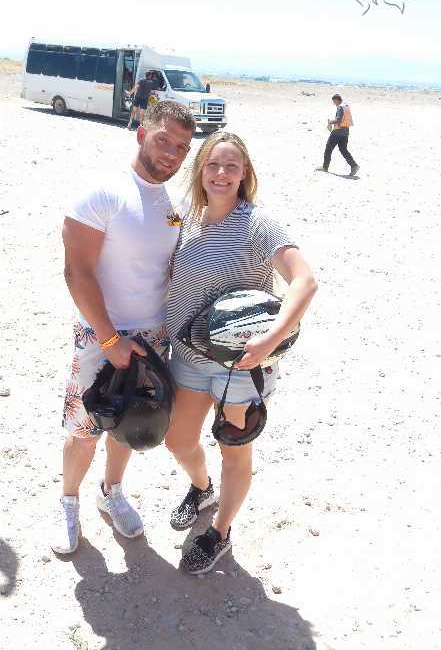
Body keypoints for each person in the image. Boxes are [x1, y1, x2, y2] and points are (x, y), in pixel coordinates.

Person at [165, 132, 318, 574]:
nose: (221, 173)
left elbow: (304, 280)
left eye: (231, 166)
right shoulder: (185, 218)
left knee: (233, 450)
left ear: (244, 173)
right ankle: (202, 489)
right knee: (178, 440)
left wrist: (272, 339)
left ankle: (220, 532)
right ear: (200, 170)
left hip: (240, 367)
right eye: (213, 164)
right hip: (188, 357)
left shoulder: (257, 223)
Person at [52, 100, 195, 556]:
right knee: (83, 428)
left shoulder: (174, 206)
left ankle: (111, 492)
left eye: (182, 147)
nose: (172, 154)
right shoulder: (103, 193)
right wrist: (110, 339)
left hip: (153, 336)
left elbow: (168, 269)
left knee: (130, 420)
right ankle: (68, 502)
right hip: (102, 334)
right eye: (164, 140)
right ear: (141, 133)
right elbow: (77, 272)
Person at [317, 93, 360, 177]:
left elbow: (338, 120)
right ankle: (354, 166)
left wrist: (330, 122)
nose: (334, 103)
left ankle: (325, 167)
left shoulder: (340, 107)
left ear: (337, 100)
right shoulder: (346, 106)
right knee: (343, 149)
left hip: (338, 131)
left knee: (328, 148)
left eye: (334, 101)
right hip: (346, 130)